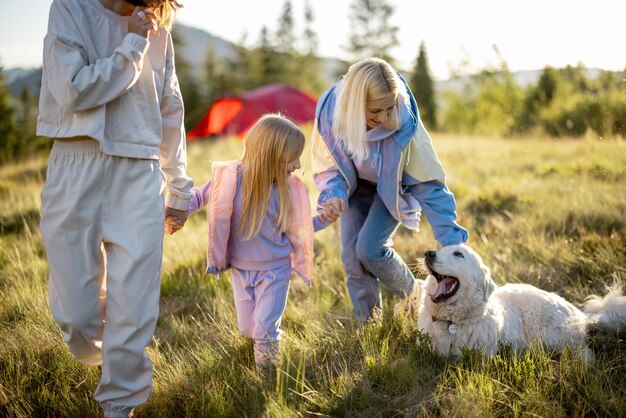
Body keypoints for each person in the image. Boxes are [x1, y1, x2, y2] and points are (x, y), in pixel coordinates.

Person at [37, 0, 191, 416]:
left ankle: (120, 402)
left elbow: (170, 108)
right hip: (76, 163)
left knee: (135, 302)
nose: (145, 5)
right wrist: (133, 44)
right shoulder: (70, 9)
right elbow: (74, 91)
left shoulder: (157, 26)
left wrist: (179, 188)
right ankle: (115, 354)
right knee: (77, 316)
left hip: (139, 170)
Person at [311, 57, 469, 325]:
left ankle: (416, 298)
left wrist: (452, 240)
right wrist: (334, 194)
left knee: (370, 249)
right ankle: (369, 325)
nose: (384, 118)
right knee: (352, 257)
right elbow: (330, 166)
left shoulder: (405, 125)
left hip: (393, 188)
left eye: (389, 107)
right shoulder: (331, 117)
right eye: (375, 111)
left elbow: (428, 183)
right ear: (354, 106)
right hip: (354, 188)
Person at [187, 114, 334, 371]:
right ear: (270, 156)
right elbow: (199, 196)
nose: (298, 165)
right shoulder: (232, 178)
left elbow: (301, 228)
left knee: (264, 331)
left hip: (275, 270)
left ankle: (266, 380)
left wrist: (324, 218)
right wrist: (176, 207)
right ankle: (268, 342)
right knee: (248, 328)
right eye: (293, 157)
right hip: (241, 268)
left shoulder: (287, 188)